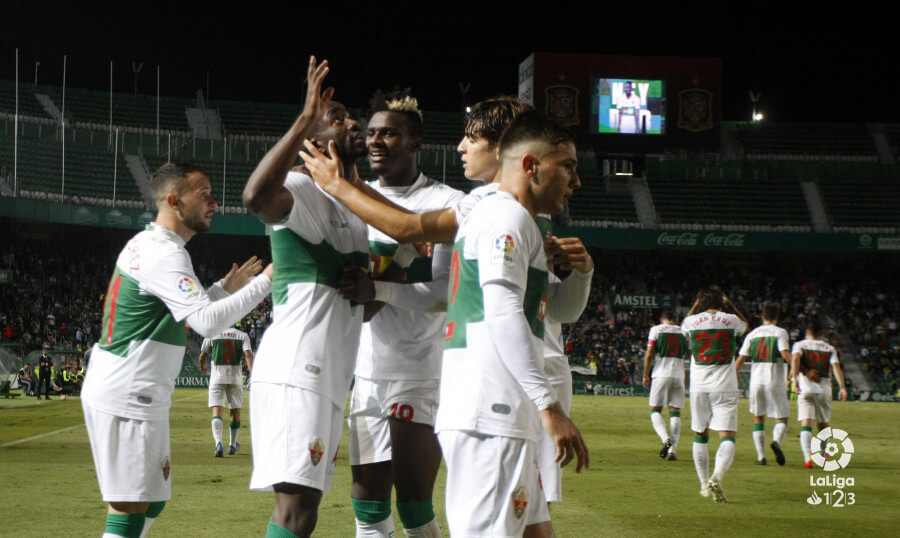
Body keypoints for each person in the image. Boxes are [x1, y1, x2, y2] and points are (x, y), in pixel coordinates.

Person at [80, 158, 272, 538]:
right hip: (129, 393)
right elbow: (204, 323)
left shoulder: (149, 244)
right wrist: (267, 280)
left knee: (152, 499)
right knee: (130, 504)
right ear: (174, 201)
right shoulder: (164, 253)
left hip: (134, 390)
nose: (214, 202)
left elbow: (177, 312)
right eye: (204, 195)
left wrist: (220, 290)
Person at [436, 110, 589, 536]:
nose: (576, 182)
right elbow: (501, 310)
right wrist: (550, 406)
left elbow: (558, 311)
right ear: (530, 165)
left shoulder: (519, 221)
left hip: (503, 413)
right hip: (491, 412)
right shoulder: (506, 218)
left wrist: (584, 271)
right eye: (568, 167)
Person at [242, 57, 369, 538]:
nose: (352, 122)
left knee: (305, 510)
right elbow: (255, 198)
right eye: (337, 118)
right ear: (314, 141)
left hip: (328, 373)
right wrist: (303, 117)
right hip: (300, 368)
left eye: (350, 115)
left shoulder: (353, 209)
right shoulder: (300, 187)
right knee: (295, 511)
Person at [682, 286, 748, 503]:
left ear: (701, 303)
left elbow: (684, 325)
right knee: (727, 436)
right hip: (725, 384)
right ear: (721, 302)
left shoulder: (691, 322)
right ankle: (717, 477)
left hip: (699, 385)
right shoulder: (730, 320)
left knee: (700, 434)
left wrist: (695, 306)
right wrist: (729, 304)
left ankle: (703, 485)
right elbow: (745, 325)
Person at [734, 303, 791, 466]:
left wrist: (731, 377)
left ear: (762, 317)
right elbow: (786, 354)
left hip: (756, 382)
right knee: (782, 418)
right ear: (777, 318)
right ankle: (776, 443)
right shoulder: (780, 332)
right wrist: (798, 368)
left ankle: (761, 457)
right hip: (774, 380)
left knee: (758, 418)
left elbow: (740, 359)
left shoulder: (752, 334)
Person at [789, 319, 848, 468]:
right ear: (822, 333)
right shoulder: (829, 348)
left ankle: (808, 458)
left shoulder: (800, 345)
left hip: (806, 389)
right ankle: (823, 455)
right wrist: (842, 387)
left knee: (806, 423)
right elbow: (836, 367)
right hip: (824, 390)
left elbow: (795, 358)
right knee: (823, 425)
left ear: (808, 332)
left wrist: (794, 378)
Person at [199, 326, 253, 457]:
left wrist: (203, 366)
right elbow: (248, 355)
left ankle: (218, 443)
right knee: (235, 412)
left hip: (217, 378)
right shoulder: (242, 335)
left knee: (217, 411)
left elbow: (203, 356)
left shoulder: (212, 333)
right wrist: (253, 375)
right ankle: (232, 445)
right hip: (235, 379)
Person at [642, 310, 687, 461]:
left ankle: (665, 438)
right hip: (679, 374)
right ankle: (672, 451)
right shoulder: (683, 331)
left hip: (661, 374)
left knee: (655, 410)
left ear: (663, 319)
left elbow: (649, 354)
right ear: (674, 319)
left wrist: (645, 374)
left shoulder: (656, 330)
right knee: (675, 412)